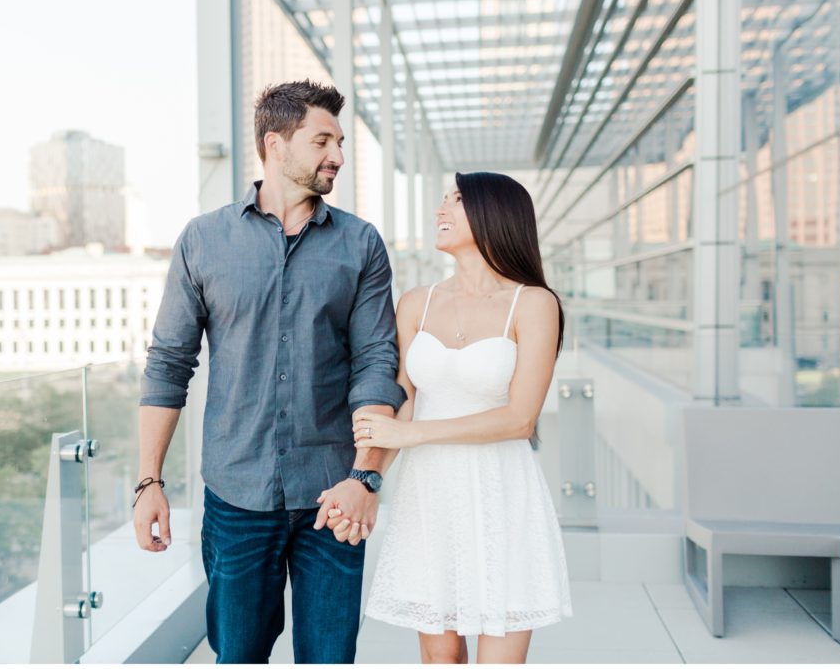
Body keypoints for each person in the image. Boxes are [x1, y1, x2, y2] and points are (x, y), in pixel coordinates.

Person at [132, 79, 405, 664]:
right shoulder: (204, 240)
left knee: (329, 657)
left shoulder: (361, 244)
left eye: (338, 142)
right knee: (238, 654)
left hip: (333, 493)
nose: (336, 156)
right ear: (275, 145)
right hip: (237, 495)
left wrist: (364, 478)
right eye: (322, 140)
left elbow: (377, 363)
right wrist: (148, 481)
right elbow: (168, 364)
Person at [351, 172, 573, 664]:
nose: (440, 209)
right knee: (439, 659)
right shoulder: (416, 303)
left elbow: (520, 419)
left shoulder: (534, 304)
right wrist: (366, 478)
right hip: (429, 495)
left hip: (501, 492)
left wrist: (411, 433)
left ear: (495, 215)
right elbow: (401, 402)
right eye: (443, 199)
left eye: (456, 200)